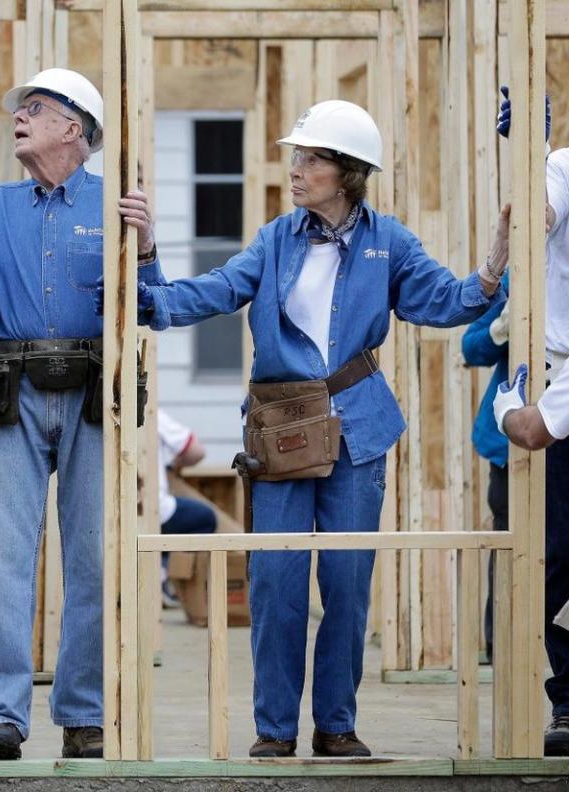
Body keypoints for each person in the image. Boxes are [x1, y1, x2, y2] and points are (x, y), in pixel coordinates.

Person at [109, 99, 506, 757]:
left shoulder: (390, 241)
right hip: (284, 429)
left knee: (348, 587)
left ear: (347, 171)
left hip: (358, 431)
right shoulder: (273, 240)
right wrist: (148, 255)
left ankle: (336, 726)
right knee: (276, 585)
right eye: (296, 155)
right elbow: (193, 299)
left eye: (311, 157)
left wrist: (492, 269)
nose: (295, 168)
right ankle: (273, 730)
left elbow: (448, 302)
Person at [0, 67, 162, 760]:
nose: (19, 118)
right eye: (20, 109)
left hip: (94, 391)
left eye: (35, 109)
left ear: (74, 129)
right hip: (12, 389)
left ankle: (84, 713)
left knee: (92, 560)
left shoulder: (115, 205)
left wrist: (145, 250)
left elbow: (151, 302)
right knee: (1, 560)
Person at [495, 87, 569, 756]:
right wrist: (528, 154)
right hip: (561, 371)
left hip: (557, 387)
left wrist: (506, 407)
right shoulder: (565, 169)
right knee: (557, 558)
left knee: (555, 558)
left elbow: (529, 428)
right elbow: (536, 216)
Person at [461, 271, 509, 662]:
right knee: (508, 543)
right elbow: (472, 347)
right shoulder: (515, 279)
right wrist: (501, 328)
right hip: (512, 445)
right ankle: (501, 645)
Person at [156, 409, 216, 607]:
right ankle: (166, 576)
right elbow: (196, 451)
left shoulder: (103, 408)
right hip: (154, 508)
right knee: (205, 518)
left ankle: (160, 570)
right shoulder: (151, 413)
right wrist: (173, 466)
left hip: (112, 512)